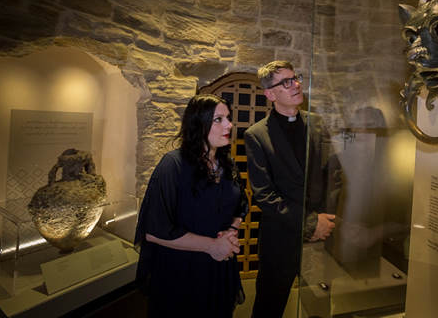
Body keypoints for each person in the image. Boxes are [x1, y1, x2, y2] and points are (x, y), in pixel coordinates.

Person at [134, 94, 248, 317]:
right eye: (219, 119)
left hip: (219, 268)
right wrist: (210, 246)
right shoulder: (172, 165)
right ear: (198, 123)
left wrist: (231, 231)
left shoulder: (227, 163)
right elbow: (153, 231)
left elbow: (240, 206)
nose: (229, 124)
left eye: (228, 118)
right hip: (183, 271)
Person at [244, 61, 342, 318]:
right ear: (270, 94)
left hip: (322, 232)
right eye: (285, 82)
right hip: (281, 236)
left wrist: (326, 220)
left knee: (320, 301)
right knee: (270, 304)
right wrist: (311, 223)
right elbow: (265, 195)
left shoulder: (316, 122)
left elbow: (334, 172)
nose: (296, 84)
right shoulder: (256, 135)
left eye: (295, 78)